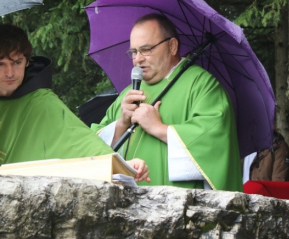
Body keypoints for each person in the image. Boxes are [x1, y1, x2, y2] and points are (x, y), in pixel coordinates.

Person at [0, 24, 149, 182]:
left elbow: (84, 148)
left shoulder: (44, 103)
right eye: (0, 64)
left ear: (27, 61)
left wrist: (124, 168)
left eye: (17, 62)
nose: (10, 73)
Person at [91, 13, 242, 191]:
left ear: (172, 46)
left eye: (146, 49)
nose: (138, 59)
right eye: (134, 52)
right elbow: (92, 148)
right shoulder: (128, 94)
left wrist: (159, 128)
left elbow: (214, 143)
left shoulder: (202, 85)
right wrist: (121, 123)